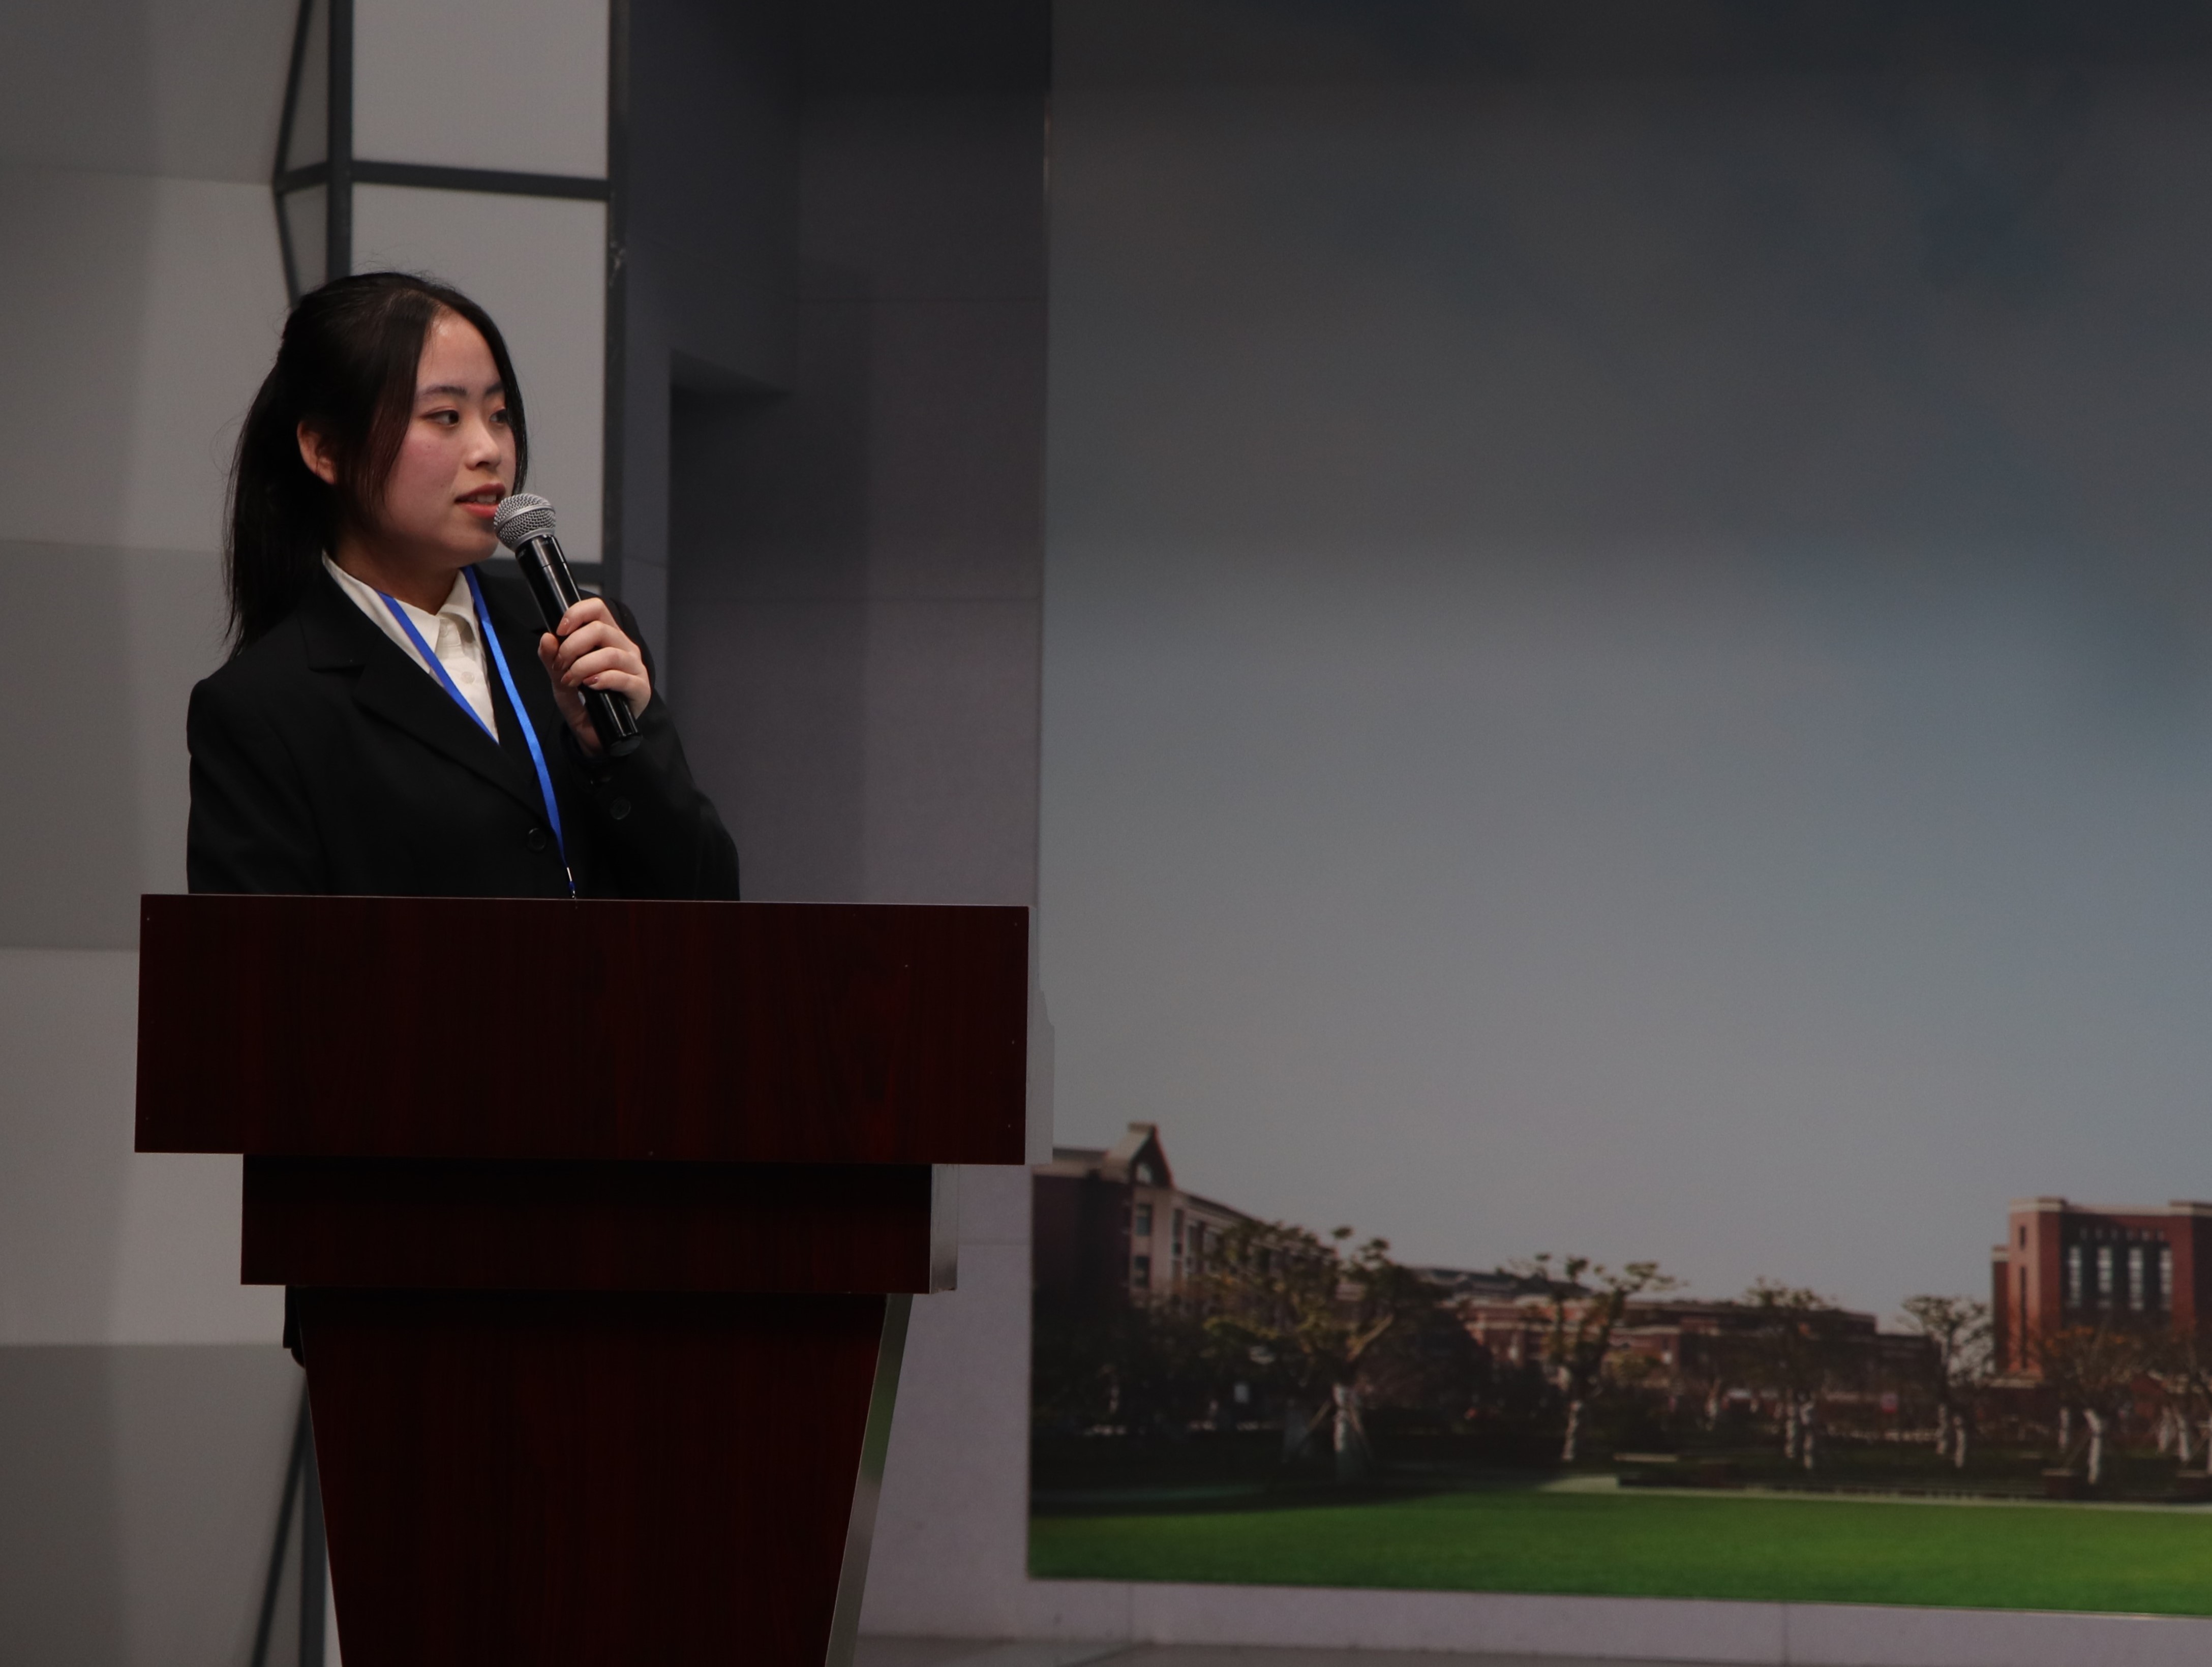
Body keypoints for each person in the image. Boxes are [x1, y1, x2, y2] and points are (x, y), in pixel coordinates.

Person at [188, 272, 738, 899]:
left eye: (499, 415)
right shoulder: (264, 705)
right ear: (327, 450)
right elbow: (255, 956)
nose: (489, 449)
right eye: (445, 417)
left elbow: (712, 901)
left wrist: (621, 751)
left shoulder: (577, 637)